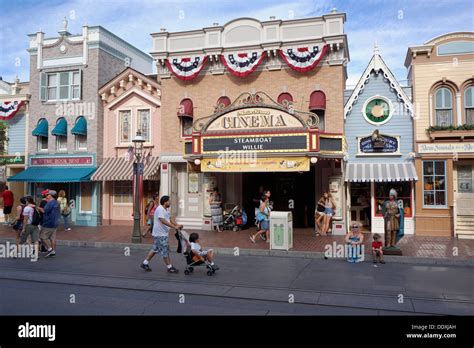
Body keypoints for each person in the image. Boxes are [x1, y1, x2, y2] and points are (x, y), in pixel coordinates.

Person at [141, 195, 183, 273]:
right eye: (169, 201)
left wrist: (177, 225)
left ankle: (145, 263)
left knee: (155, 249)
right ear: (165, 202)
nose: (170, 202)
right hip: (160, 234)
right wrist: (174, 227)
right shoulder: (160, 209)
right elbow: (162, 220)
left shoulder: (166, 210)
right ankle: (170, 267)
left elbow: (170, 219)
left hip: (162, 234)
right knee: (165, 250)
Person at [40, 190, 60, 258]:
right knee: (53, 238)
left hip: (48, 223)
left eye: (47, 194)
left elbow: (44, 211)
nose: (46, 195)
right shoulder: (56, 202)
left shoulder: (50, 203)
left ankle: (50, 249)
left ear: (50, 195)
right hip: (55, 223)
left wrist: (36, 207)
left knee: (42, 237)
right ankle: (53, 251)